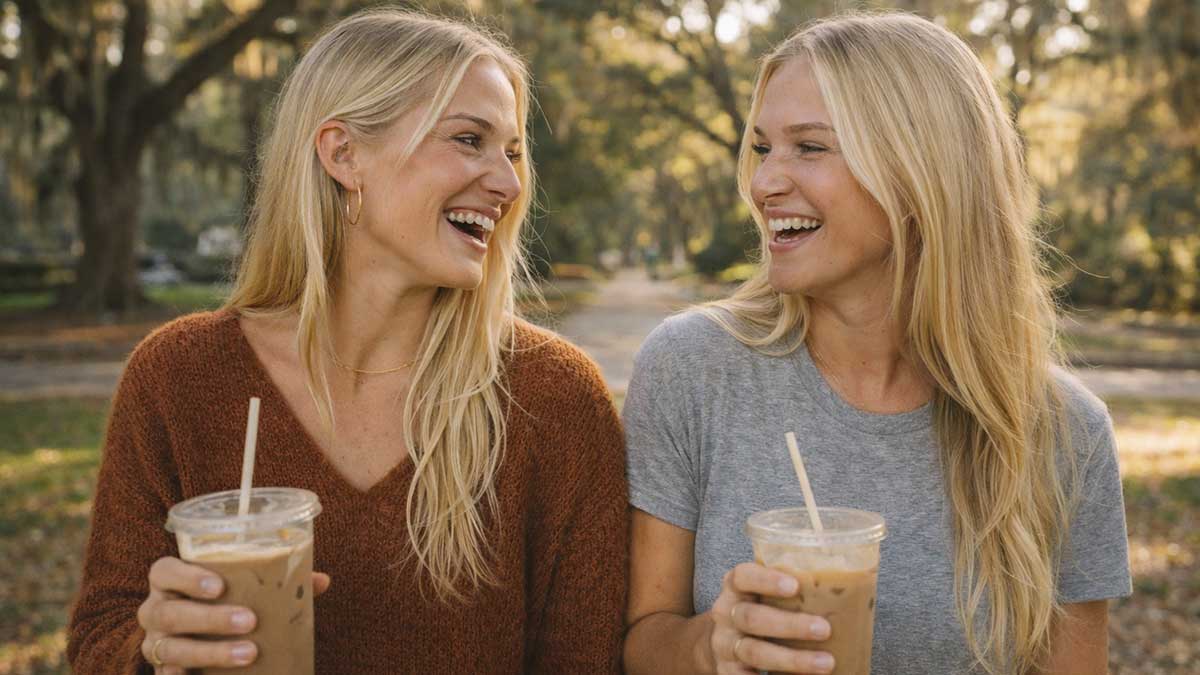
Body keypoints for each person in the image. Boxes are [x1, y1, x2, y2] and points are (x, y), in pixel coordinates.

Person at [67, 9, 628, 674]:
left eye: (511, 151)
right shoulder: (177, 378)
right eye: (469, 139)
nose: (508, 183)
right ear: (343, 153)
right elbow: (100, 640)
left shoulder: (555, 397)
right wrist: (153, 648)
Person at [622, 11, 1130, 675]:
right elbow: (638, 642)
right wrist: (712, 644)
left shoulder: (1064, 435)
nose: (764, 182)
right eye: (763, 147)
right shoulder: (692, 369)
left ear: (919, 175)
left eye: (809, 147)